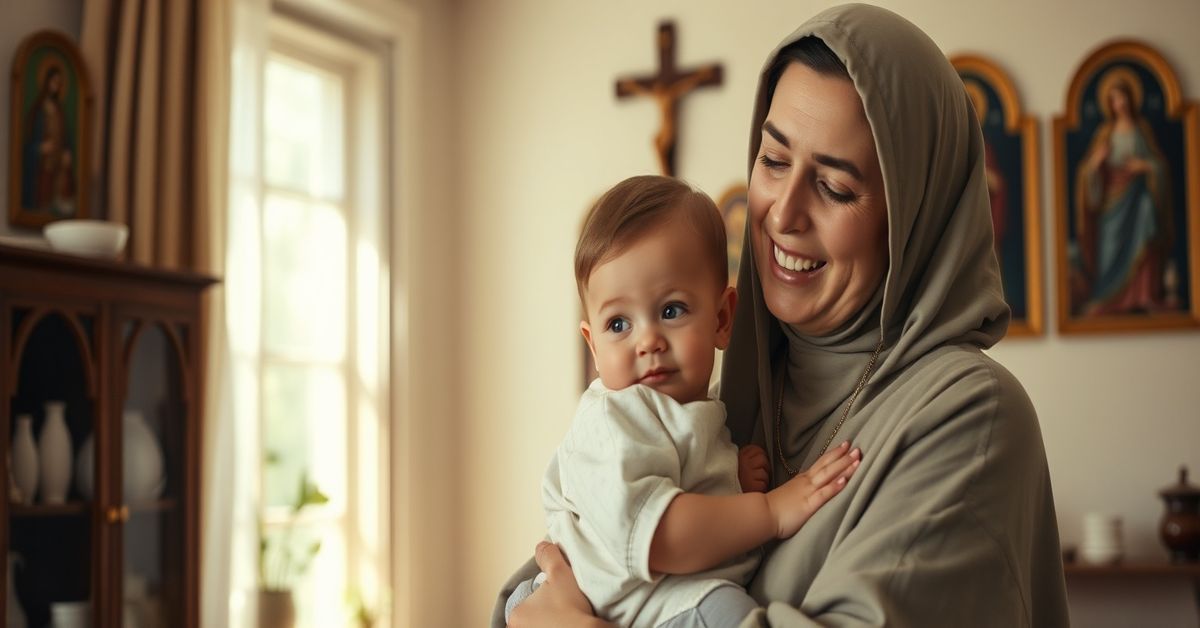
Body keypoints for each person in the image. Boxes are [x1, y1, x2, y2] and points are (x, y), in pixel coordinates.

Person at [494, 4, 1069, 627]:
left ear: (914, 220)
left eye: (836, 187)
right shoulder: (728, 394)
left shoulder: (968, 416)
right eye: (773, 160)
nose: (782, 213)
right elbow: (542, 583)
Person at [504, 175, 863, 628]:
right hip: (636, 604)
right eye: (618, 324)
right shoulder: (611, 422)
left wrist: (728, 477)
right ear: (592, 347)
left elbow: (677, 478)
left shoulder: (696, 411)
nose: (648, 340)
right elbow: (660, 536)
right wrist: (769, 511)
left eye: (671, 311)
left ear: (722, 318)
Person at [1074, 69, 1173, 316]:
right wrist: (1096, 165)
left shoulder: (1143, 130)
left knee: (1147, 220)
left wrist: (1146, 166)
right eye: (1115, 99)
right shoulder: (1105, 134)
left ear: (1131, 98)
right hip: (1112, 205)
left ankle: (1145, 295)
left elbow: (1159, 165)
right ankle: (1109, 297)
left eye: (1124, 97)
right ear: (1109, 103)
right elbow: (1087, 173)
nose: (1121, 103)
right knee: (1110, 251)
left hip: (1138, 196)